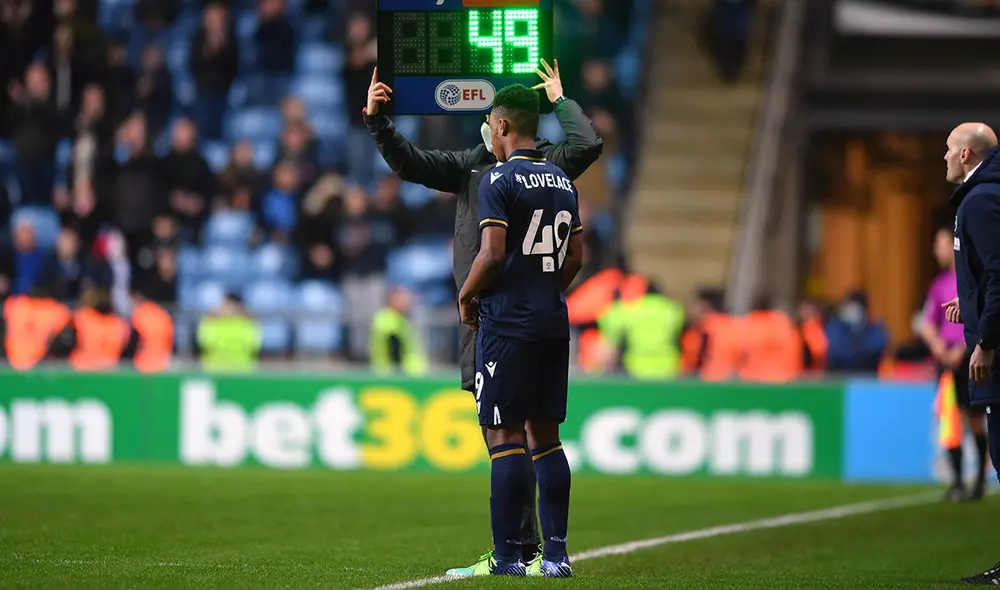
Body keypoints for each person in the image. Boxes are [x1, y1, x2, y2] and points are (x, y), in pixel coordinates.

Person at [366, 59, 602, 565]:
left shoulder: (522, 169)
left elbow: (587, 144)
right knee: (528, 435)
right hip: (521, 318)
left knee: (505, 435)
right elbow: (411, 162)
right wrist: (379, 122)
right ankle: (542, 551)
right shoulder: (482, 166)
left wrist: (559, 99)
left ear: (500, 125)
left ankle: (515, 552)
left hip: (496, 314)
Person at [452, 84, 584, 578]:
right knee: (545, 438)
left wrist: (467, 296)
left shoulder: (497, 179)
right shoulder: (564, 181)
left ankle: (507, 558)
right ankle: (556, 556)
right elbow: (576, 256)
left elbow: (491, 253)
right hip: (552, 321)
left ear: (502, 126)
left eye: (491, 122)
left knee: (504, 436)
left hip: (507, 323)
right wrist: (546, 285)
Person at [940, 121, 1000, 584]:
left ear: (965, 155)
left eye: (947, 149)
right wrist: (973, 302)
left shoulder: (979, 201)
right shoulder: (982, 197)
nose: (942, 156)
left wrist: (987, 341)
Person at [921, 225, 988, 501]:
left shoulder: (970, 279)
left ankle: (980, 481)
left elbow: (980, 315)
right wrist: (937, 344)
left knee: (973, 418)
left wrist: (963, 348)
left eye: (940, 243)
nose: (936, 250)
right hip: (946, 359)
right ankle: (958, 481)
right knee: (950, 420)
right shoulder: (938, 285)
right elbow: (927, 323)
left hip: (968, 356)